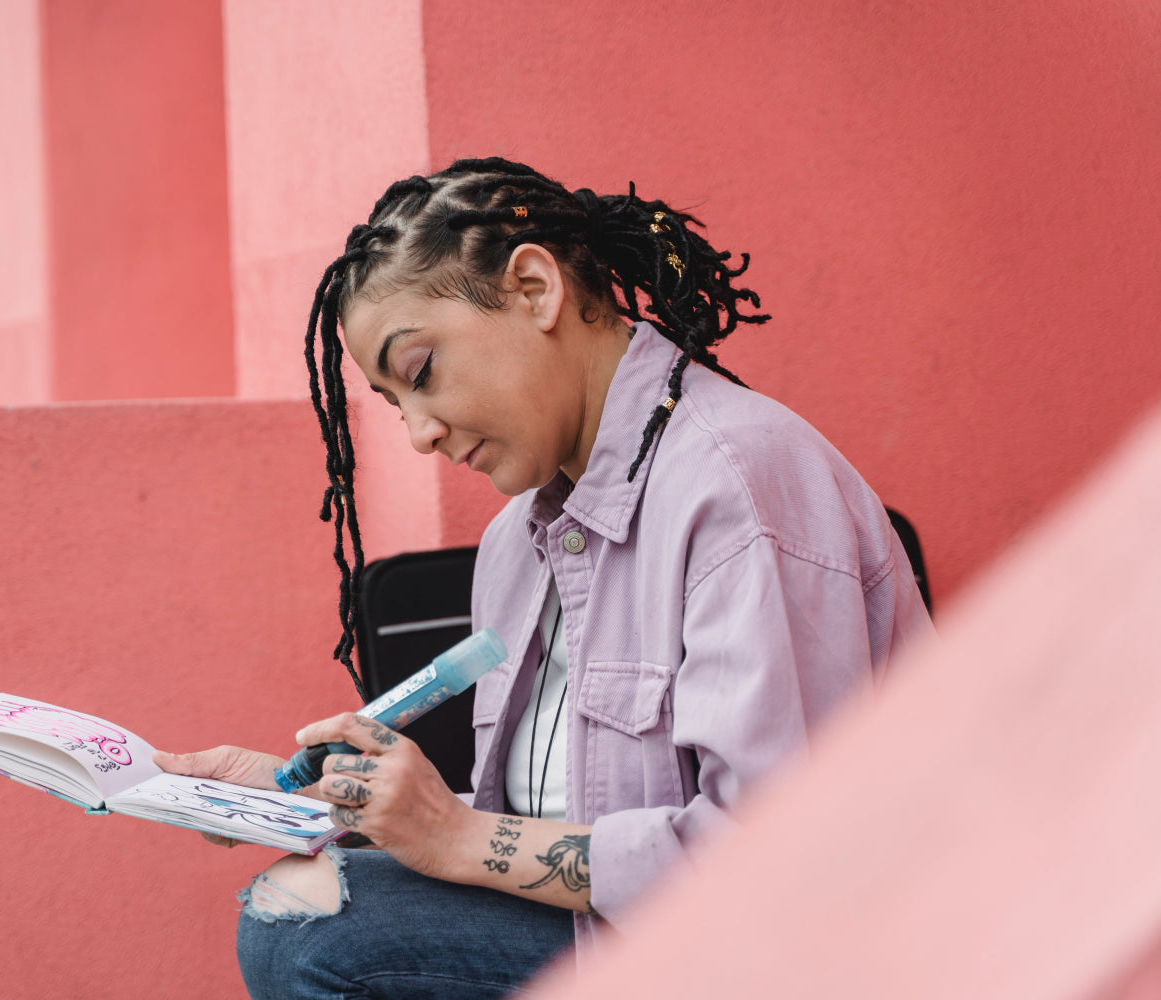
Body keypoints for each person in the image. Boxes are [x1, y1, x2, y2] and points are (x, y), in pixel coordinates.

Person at [155, 157, 933, 999]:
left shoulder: (743, 486)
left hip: (781, 960)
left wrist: (455, 838)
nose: (419, 432)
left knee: (307, 929)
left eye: (419, 371)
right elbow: (534, 830)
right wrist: (325, 806)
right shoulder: (514, 547)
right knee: (301, 899)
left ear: (534, 287)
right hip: (620, 938)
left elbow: (770, 866)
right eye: (393, 405)